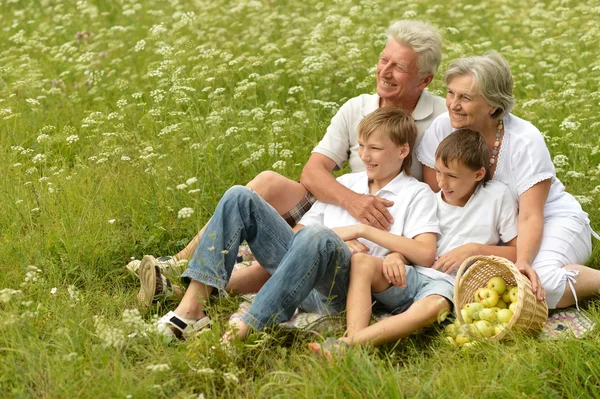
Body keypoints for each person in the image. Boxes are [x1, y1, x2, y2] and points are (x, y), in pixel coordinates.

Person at [131, 19, 447, 306]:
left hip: (393, 222)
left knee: (298, 253)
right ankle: (176, 265)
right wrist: (352, 202)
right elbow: (312, 172)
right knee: (265, 184)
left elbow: (445, 191)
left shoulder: (441, 118)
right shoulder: (357, 108)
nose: (385, 71)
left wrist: (395, 250)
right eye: (383, 59)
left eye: (399, 67)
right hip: (344, 202)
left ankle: (188, 292)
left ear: (424, 79)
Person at [154, 107, 441, 341]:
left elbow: (425, 252)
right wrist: (345, 235)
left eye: (375, 148)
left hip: (343, 291)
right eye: (361, 146)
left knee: (320, 236)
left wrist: (366, 233)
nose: (365, 156)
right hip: (299, 272)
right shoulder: (346, 184)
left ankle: (247, 328)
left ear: (403, 151)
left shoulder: (416, 194)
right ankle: (192, 310)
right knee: (239, 196)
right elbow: (298, 234)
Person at [308, 128, 519, 357]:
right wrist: (396, 255)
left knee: (435, 305)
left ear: (478, 174)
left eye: (452, 176)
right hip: (411, 275)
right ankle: (350, 343)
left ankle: (349, 344)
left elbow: (518, 252)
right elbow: (414, 244)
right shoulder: (427, 198)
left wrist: (474, 249)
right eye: (438, 172)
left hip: (447, 284)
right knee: (362, 262)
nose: (442, 182)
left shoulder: (497, 196)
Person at [416, 51, 600, 310]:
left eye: (465, 97)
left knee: (537, 284)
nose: (453, 104)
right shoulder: (442, 127)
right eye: (450, 93)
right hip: (498, 234)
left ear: (492, 104)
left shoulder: (525, 140)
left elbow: (530, 216)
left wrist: (522, 262)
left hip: (548, 222)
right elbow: (435, 192)